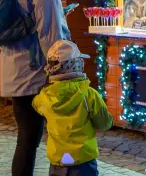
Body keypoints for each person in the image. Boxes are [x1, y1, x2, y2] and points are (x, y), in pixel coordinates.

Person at [0, 0, 72, 176]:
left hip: (14, 68)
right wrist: (62, 67)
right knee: (56, 134)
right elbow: (49, 28)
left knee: (26, 139)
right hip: (36, 71)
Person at [31, 41, 113, 176]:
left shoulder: (45, 96)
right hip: (83, 161)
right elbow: (104, 123)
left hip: (58, 161)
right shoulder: (89, 95)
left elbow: (36, 104)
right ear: (77, 65)